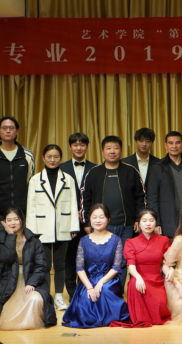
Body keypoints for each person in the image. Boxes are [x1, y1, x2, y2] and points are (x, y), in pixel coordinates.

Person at [81, 135, 146, 292]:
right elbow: (85, 199)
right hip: (100, 226)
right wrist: (87, 223)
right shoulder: (93, 173)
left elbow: (141, 197)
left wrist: (139, 219)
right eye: (108, 148)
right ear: (102, 151)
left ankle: (117, 293)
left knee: (122, 261)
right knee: (102, 261)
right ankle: (102, 293)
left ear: (121, 151)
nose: (112, 151)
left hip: (126, 225)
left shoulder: (131, 171)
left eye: (116, 148)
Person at [26, 144, 80, 311]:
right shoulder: (35, 179)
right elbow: (31, 206)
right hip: (41, 228)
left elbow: (73, 204)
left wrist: (74, 227)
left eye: (56, 156)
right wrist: (31, 231)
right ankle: (46, 296)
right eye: (49, 156)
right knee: (44, 265)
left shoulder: (68, 179)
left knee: (60, 264)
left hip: (63, 226)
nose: (52, 159)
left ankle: (58, 296)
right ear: (43, 158)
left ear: (61, 158)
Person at [63, 204, 130, 328]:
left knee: (105, 291)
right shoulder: (83, 240)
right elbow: (79, 267)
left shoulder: (116, 240)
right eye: (94, 217)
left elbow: (116, 266)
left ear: (108, 219)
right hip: (88, 280)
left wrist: (101, 282)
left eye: (102, 217)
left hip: (109, 280)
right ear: (90, 219)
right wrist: (89, 287)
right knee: (87, 297)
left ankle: (109, 318)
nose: (98, 220)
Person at [0, 116, 35, 261]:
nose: (8, 131)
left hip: (21, 213)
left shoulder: (27, 155)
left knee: (23, 252)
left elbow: (30, 182)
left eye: (11, 128)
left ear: (17, 131)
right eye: (4, 128)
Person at [0, 206, 57, 330]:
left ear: (21, 220)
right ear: (4, 222)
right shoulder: (1, 240)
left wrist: (31, 283)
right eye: (9, 220)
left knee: (35, 299)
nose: (12, 223)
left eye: (16, 219)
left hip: (31, 279)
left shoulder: (33, 240)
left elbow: (41, 265)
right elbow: (8, 258)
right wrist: (11, 235)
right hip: (11, 281)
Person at [112, 208, 171, 328]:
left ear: (156, 222)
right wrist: (138, 278)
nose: (148, 224)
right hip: (139, 277)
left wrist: (170, 270)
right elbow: (131, 266)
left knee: (159, 307)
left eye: (151, 220)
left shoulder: (163, 240)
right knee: (134, 284)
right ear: (138, 223)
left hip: (156, 279)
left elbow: (166, 262)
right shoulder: (131, 242)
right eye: (144, 221)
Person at [60, 132, 96, 301]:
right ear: (70, 147)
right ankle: (72, 292)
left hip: (90, 221)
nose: (79, 148)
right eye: (75, 145)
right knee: (70, 257)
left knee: (89, 257)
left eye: (82, 145)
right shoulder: (61, 168)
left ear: (87, 147)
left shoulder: (95, 168)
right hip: (68, 221)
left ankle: (86, 290)